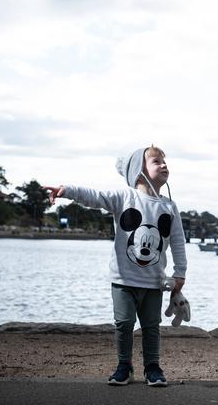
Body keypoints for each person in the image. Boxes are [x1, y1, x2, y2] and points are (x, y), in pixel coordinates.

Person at [44, 145, 187, 387]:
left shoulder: (169, 207)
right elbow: (93, 196)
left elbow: (178, 241)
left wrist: (180, 272)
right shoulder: (124, 198)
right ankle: (125, 366)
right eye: (156, 162)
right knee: (123, 324)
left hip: (154, 281)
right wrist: (66, 191)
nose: (164, 165)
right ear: (138, 172)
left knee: (152, 326)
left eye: (164, 161)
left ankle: (152, 367)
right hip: (123, 279)